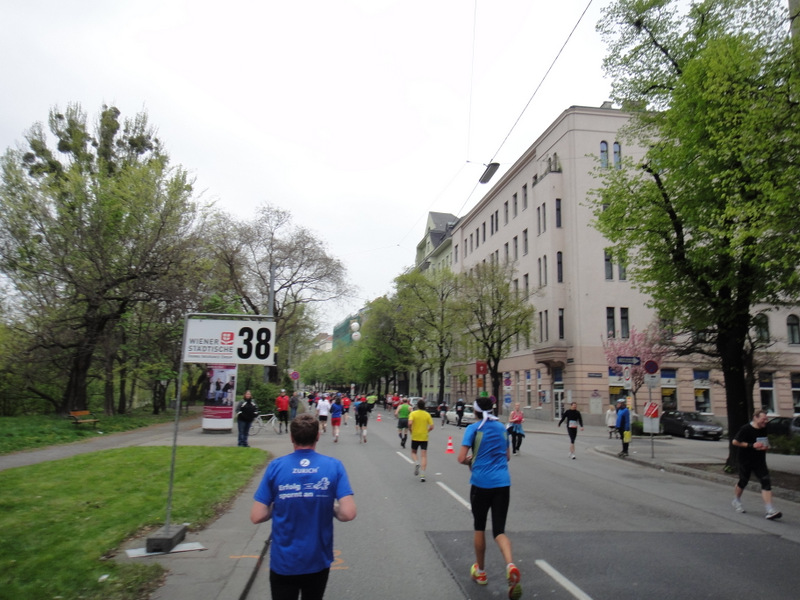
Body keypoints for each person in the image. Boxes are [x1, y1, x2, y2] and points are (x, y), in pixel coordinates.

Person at [251, 414, 357, 600]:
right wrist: (329, 505)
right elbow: (348, 513)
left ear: (291, 438)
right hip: (317, 559)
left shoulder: (276, 467)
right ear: (317, 436)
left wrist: (277, 504)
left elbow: (257, 516)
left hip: (284, 562)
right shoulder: (334, 466)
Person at [457, 397, 522, 600]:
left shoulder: (474, 428)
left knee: (479, 526)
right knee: (499, 530)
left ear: (475, 412)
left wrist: (470, 460)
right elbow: (507, 457)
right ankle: (510, 564)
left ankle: (481, 572)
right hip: (503, 483)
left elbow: (461, 458)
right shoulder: (502, 428)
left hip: (481, 483)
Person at [731, 409, 782, 520]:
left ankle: (769, 510)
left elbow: (764, 442)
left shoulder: (764, 428)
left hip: (759, 460)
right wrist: (751, 445)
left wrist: (766, 447)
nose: (765, 421)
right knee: (743, 481)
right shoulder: (746, 429)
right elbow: (735, 442)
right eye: (763, 419)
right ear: (756, 417)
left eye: (766, 419)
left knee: (766, 482)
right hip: (745, 459)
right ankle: (736, 500)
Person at [409, 399, 434, 482]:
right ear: (424, 406)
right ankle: (422, 475)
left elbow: (410, 423)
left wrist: (410, 429)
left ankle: (416, 462)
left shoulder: (413, 413)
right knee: (424, 456)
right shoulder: (427, 414)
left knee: (413, 452)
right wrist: (427, 431)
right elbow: (432, 426)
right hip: (424, 437)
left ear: (417, 406)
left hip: (415, 436)